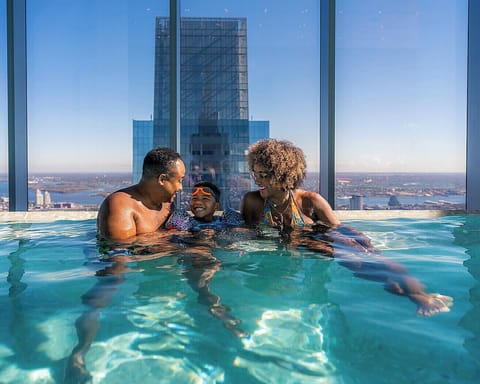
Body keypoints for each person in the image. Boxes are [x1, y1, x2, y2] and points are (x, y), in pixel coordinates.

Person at [240, 138, 453, 317]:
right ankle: (411, 294)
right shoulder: (252, 200)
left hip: (323, 238)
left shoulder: (310, 200)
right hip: (300, 243)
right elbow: (248, 231)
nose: (257, 180)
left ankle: (421, 294)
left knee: (375, 264)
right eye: (255, 173)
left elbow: (338, 229)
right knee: (370, 275)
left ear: (283, 173)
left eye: (264, 175)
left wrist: (363, 246)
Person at [97, 147, 185, 241]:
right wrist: (167, 235)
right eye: (179, 181)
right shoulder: (120, 205)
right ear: (162, 179)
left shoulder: (168, 203)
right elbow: (119, 252)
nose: (181, 188)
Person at [165, 181, 242, 231]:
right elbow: (171, 236)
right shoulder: (183, 221)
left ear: (216, 205)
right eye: (194, 198)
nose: (198, 202)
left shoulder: (226, 221)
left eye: (205, 198)